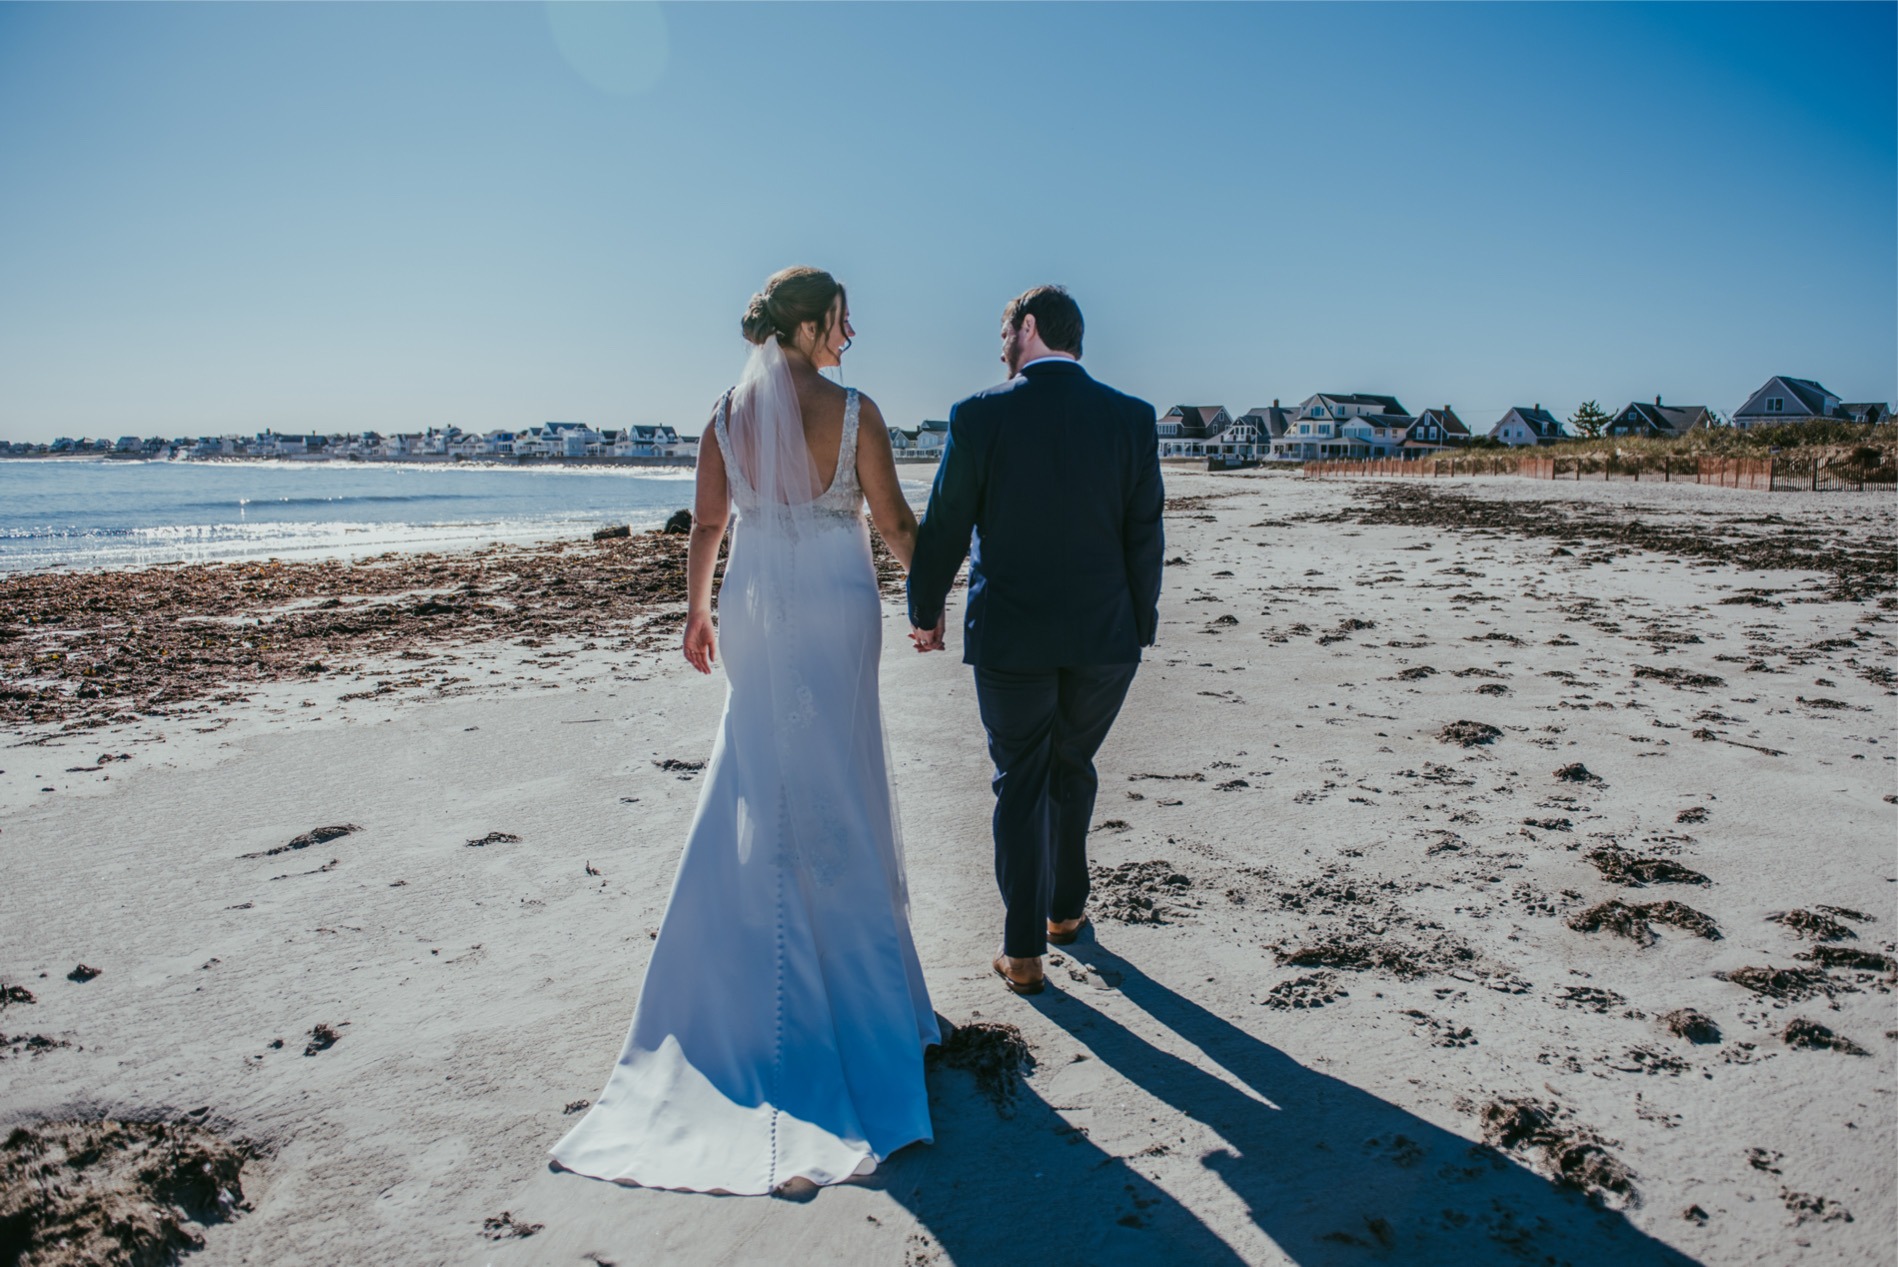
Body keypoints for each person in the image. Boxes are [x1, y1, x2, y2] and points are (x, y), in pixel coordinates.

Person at [551, 267, 939, 1195]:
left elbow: (708, 525)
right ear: (805, 326)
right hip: (838, 608)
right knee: (842, 774)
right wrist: (929, 598)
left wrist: (697, 610)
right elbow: (893, 521)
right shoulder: (855, 412)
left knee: (758, 771)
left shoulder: (724, 415)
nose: (849, 336)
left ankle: (744, 983)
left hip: (756, 604)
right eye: (841, 321)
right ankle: (864, 998)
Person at [907, 285, 1164, 996]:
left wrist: (925, 609)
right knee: (1071, 764)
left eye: (1003, 332)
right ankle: (1065, 912)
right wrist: (1139, 624)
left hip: (1011, 635)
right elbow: (1144, 533)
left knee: (1021, 779)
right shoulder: (1131, 417)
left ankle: (1022, 951)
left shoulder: (979, 414)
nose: (1000, 347)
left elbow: (947, 521)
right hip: (1105, 637)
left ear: (1027, 328)